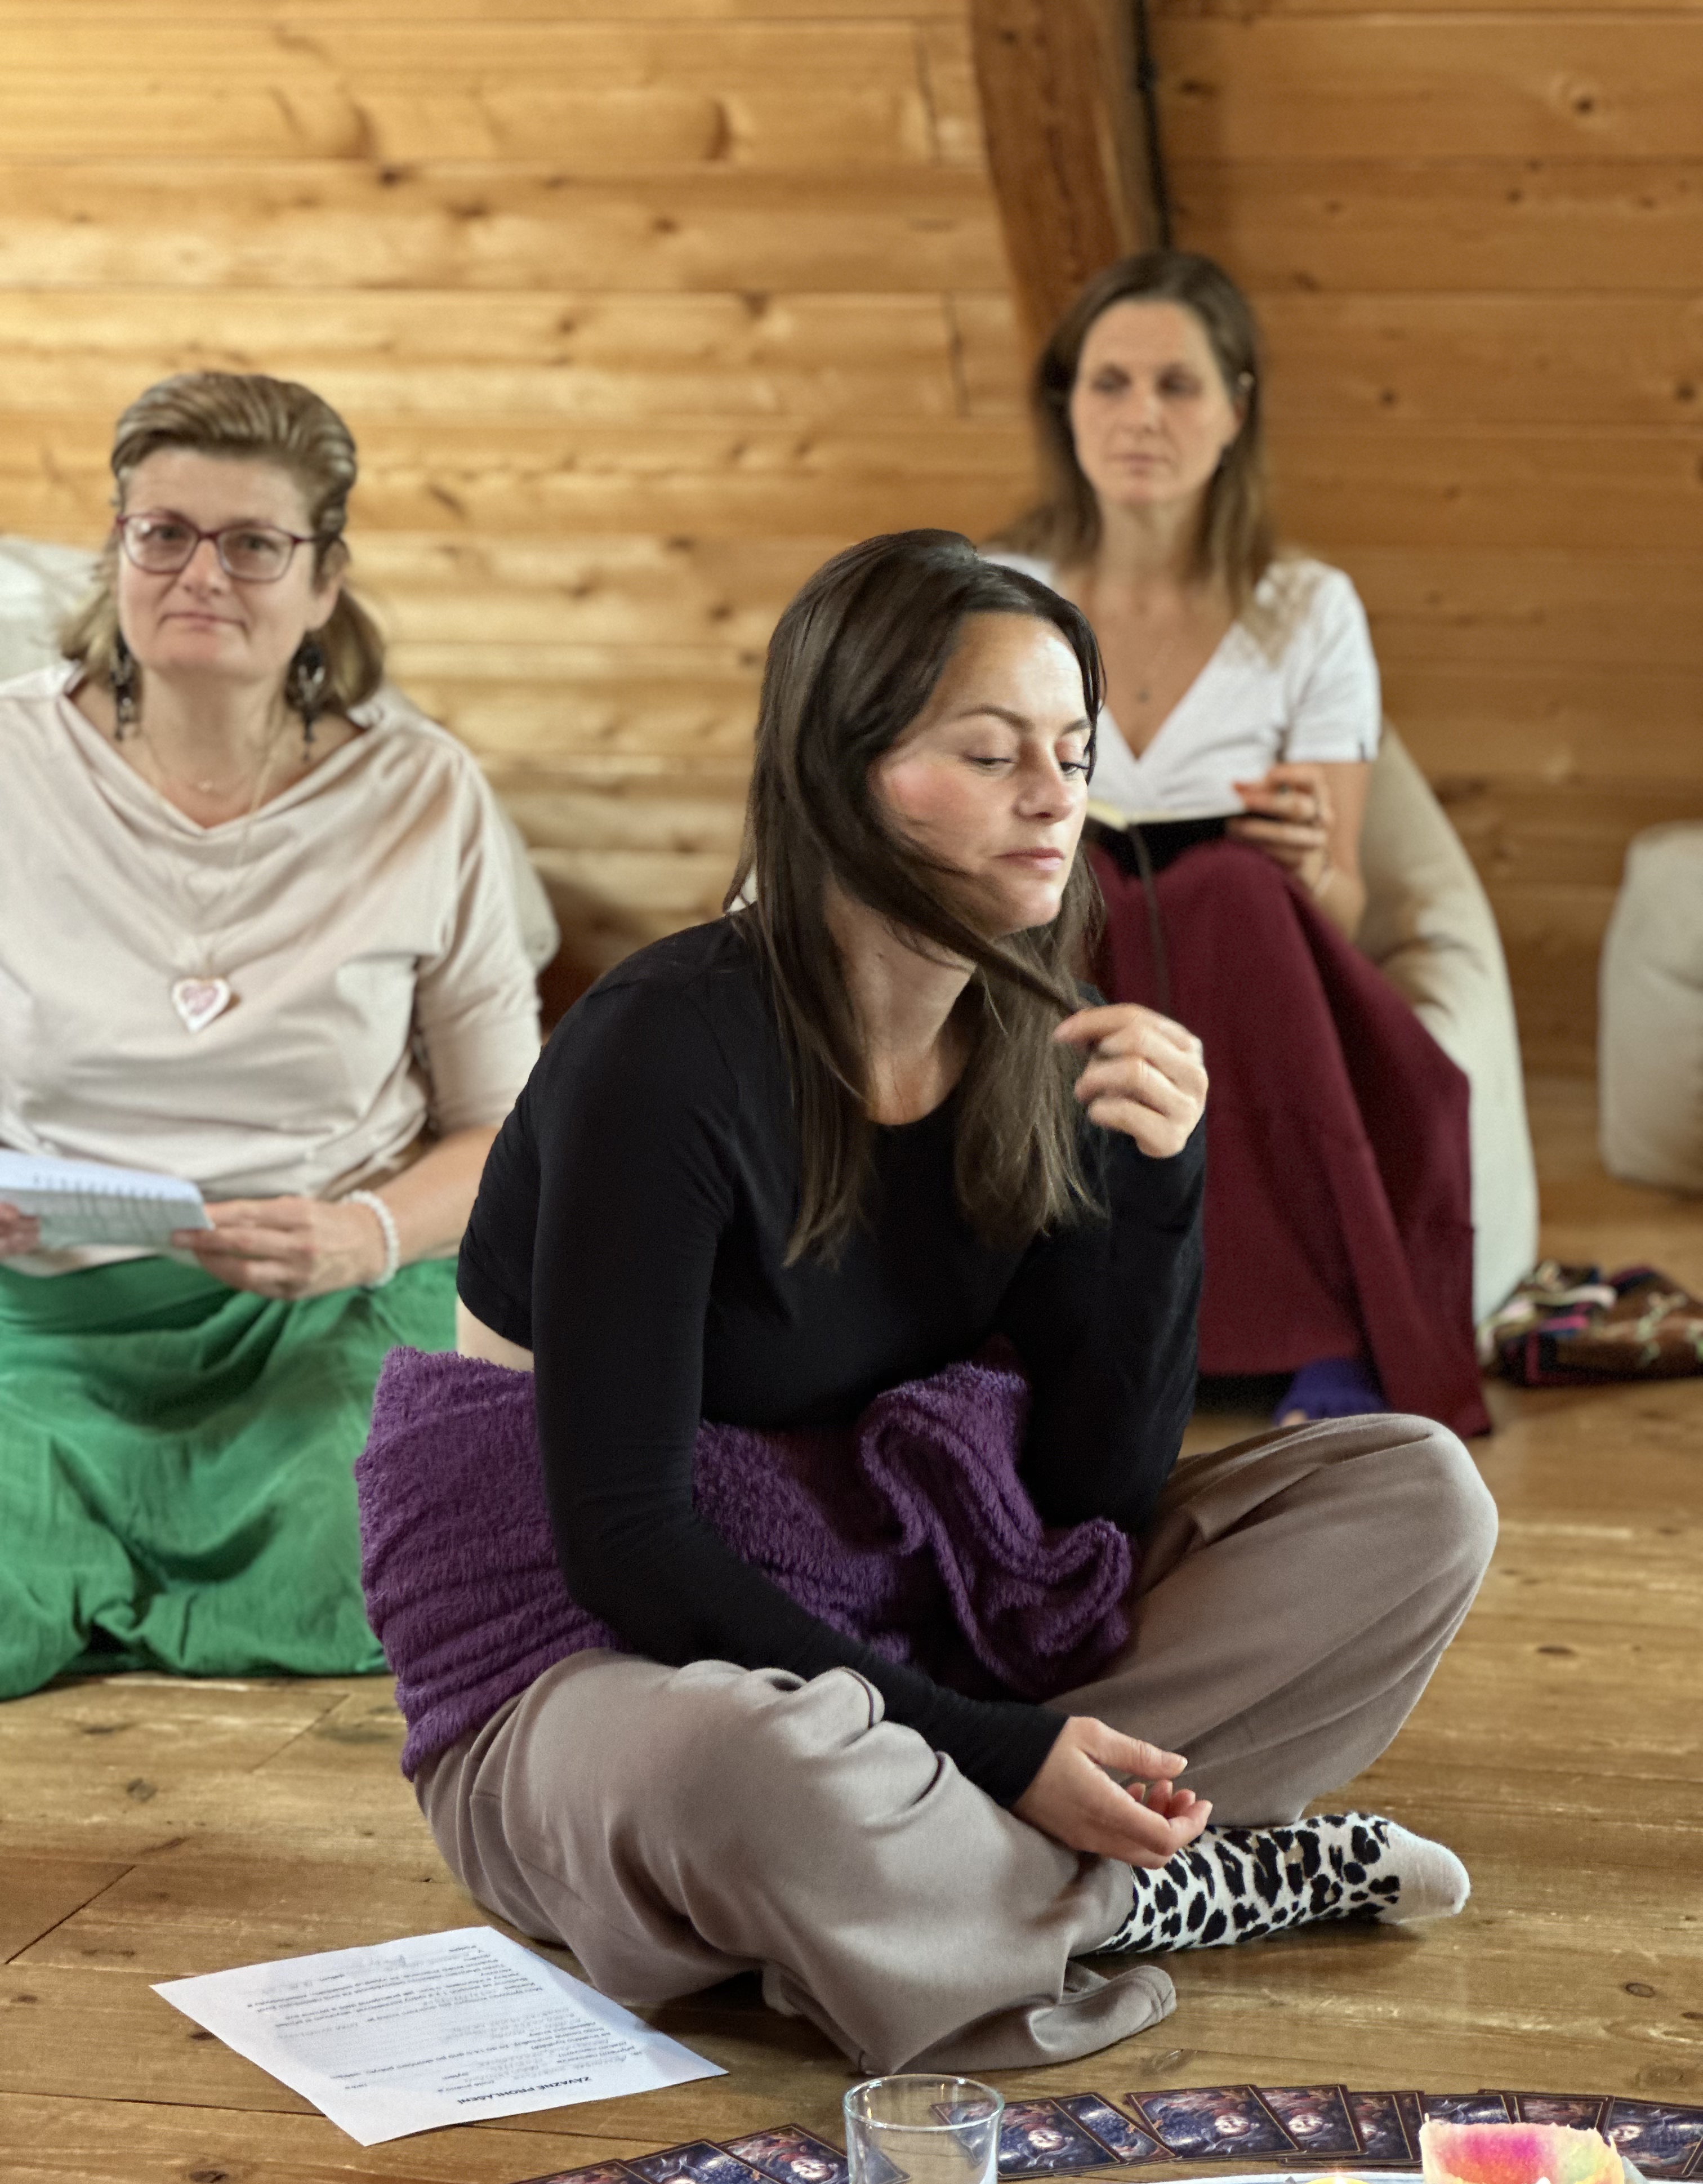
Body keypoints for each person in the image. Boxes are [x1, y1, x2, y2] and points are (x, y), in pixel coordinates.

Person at [360, 530, 1498, 2076]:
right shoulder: (663, 1051)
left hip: (922, 1633)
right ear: (845, 770)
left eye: (1073, 753)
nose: (1056, 797)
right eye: (990, 752)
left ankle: (961, 1895)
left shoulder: (1042, 1042)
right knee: (746, 1769)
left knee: (1420, 1496)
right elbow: (626, 1547)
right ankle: (1143, 1886)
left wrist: (1161, 1194)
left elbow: (1089, 1504)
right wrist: (1004, 1753)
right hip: (597, 1672)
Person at [0, 370, 540, 1698]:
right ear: (118, 548)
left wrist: (366, 1234)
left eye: (252, 544)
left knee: (392, 1562)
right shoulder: (12, 758)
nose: (202, 574)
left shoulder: (423, 793)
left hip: (322, 1311)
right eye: (164, 533)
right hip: (50, 1311)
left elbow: (511, 1134)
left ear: (323, 579)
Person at [988, 252, 1488, 1437]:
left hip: (1254, 957)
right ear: (1066, 405)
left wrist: (1311, 861)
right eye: (1110, 383)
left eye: (1178, 385)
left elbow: (1344, 904)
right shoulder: (996, 591)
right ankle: (1041, 1319)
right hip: (1057, 932)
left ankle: (1315, 1330)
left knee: (1230, 895)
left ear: (1235, 410)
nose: (1142, 417)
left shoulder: (1309, 608)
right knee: (1078, 886)